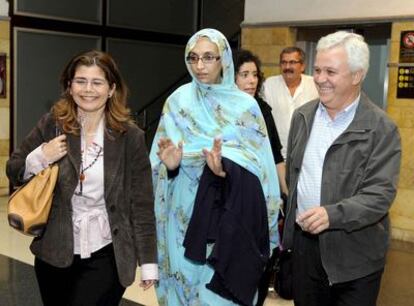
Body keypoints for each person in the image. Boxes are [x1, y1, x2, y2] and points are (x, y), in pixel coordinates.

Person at [6, 50, 158, 306]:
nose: (88, 89)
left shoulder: (129, 137)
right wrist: (41, 155)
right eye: (81, 81)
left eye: (97, 82)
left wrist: (149, 262)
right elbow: (14, 168)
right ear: (69, 86)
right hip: (55, 251)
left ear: (111, 89)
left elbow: (141, 205)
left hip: (107, 252)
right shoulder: (54, 124)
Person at [150, 29, 281, 305]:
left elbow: (262, 168)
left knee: (218, 294)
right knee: (183, 289)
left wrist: (225, 171)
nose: (200, 66)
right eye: (193, 57)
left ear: (224, 59)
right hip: (182, 212)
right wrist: (171, 167)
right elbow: (157, 163)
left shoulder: (246, 106)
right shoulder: (177, 101)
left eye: (209, 57)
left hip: (228, 214)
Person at [283, 31, 401, 306]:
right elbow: (293, 173)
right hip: (304, 251)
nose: (320, 79)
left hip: (355, 258)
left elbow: (380, 195)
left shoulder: (381, 128)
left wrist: (332, 215)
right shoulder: (302, 117)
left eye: (331, 72)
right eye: (318, 70)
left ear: (357, 75)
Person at [234, 49, 288, 196]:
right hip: (232, 189)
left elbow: (276, 156)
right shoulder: (221, 111)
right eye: (244, 75)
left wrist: (286, 193)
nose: (252, 80)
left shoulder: (263, 109)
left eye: (255, 74)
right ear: (231, 78)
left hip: (263, 188)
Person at [263, 46, 318, 159]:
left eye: (292, 62)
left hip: (306, 156)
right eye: (284, 62)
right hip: (277, 156)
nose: (287, 67)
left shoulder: (314, 85)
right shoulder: (269, 85)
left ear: (302, 66)